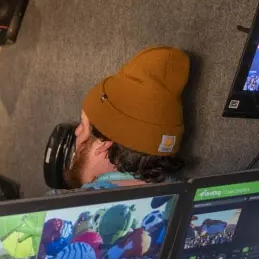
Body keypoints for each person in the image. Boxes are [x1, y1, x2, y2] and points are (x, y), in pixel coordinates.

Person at [64, 46, 190, 190]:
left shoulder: (56, 207)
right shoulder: (190, 197)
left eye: (83, 125)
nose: (77, 132)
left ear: (103, 143)